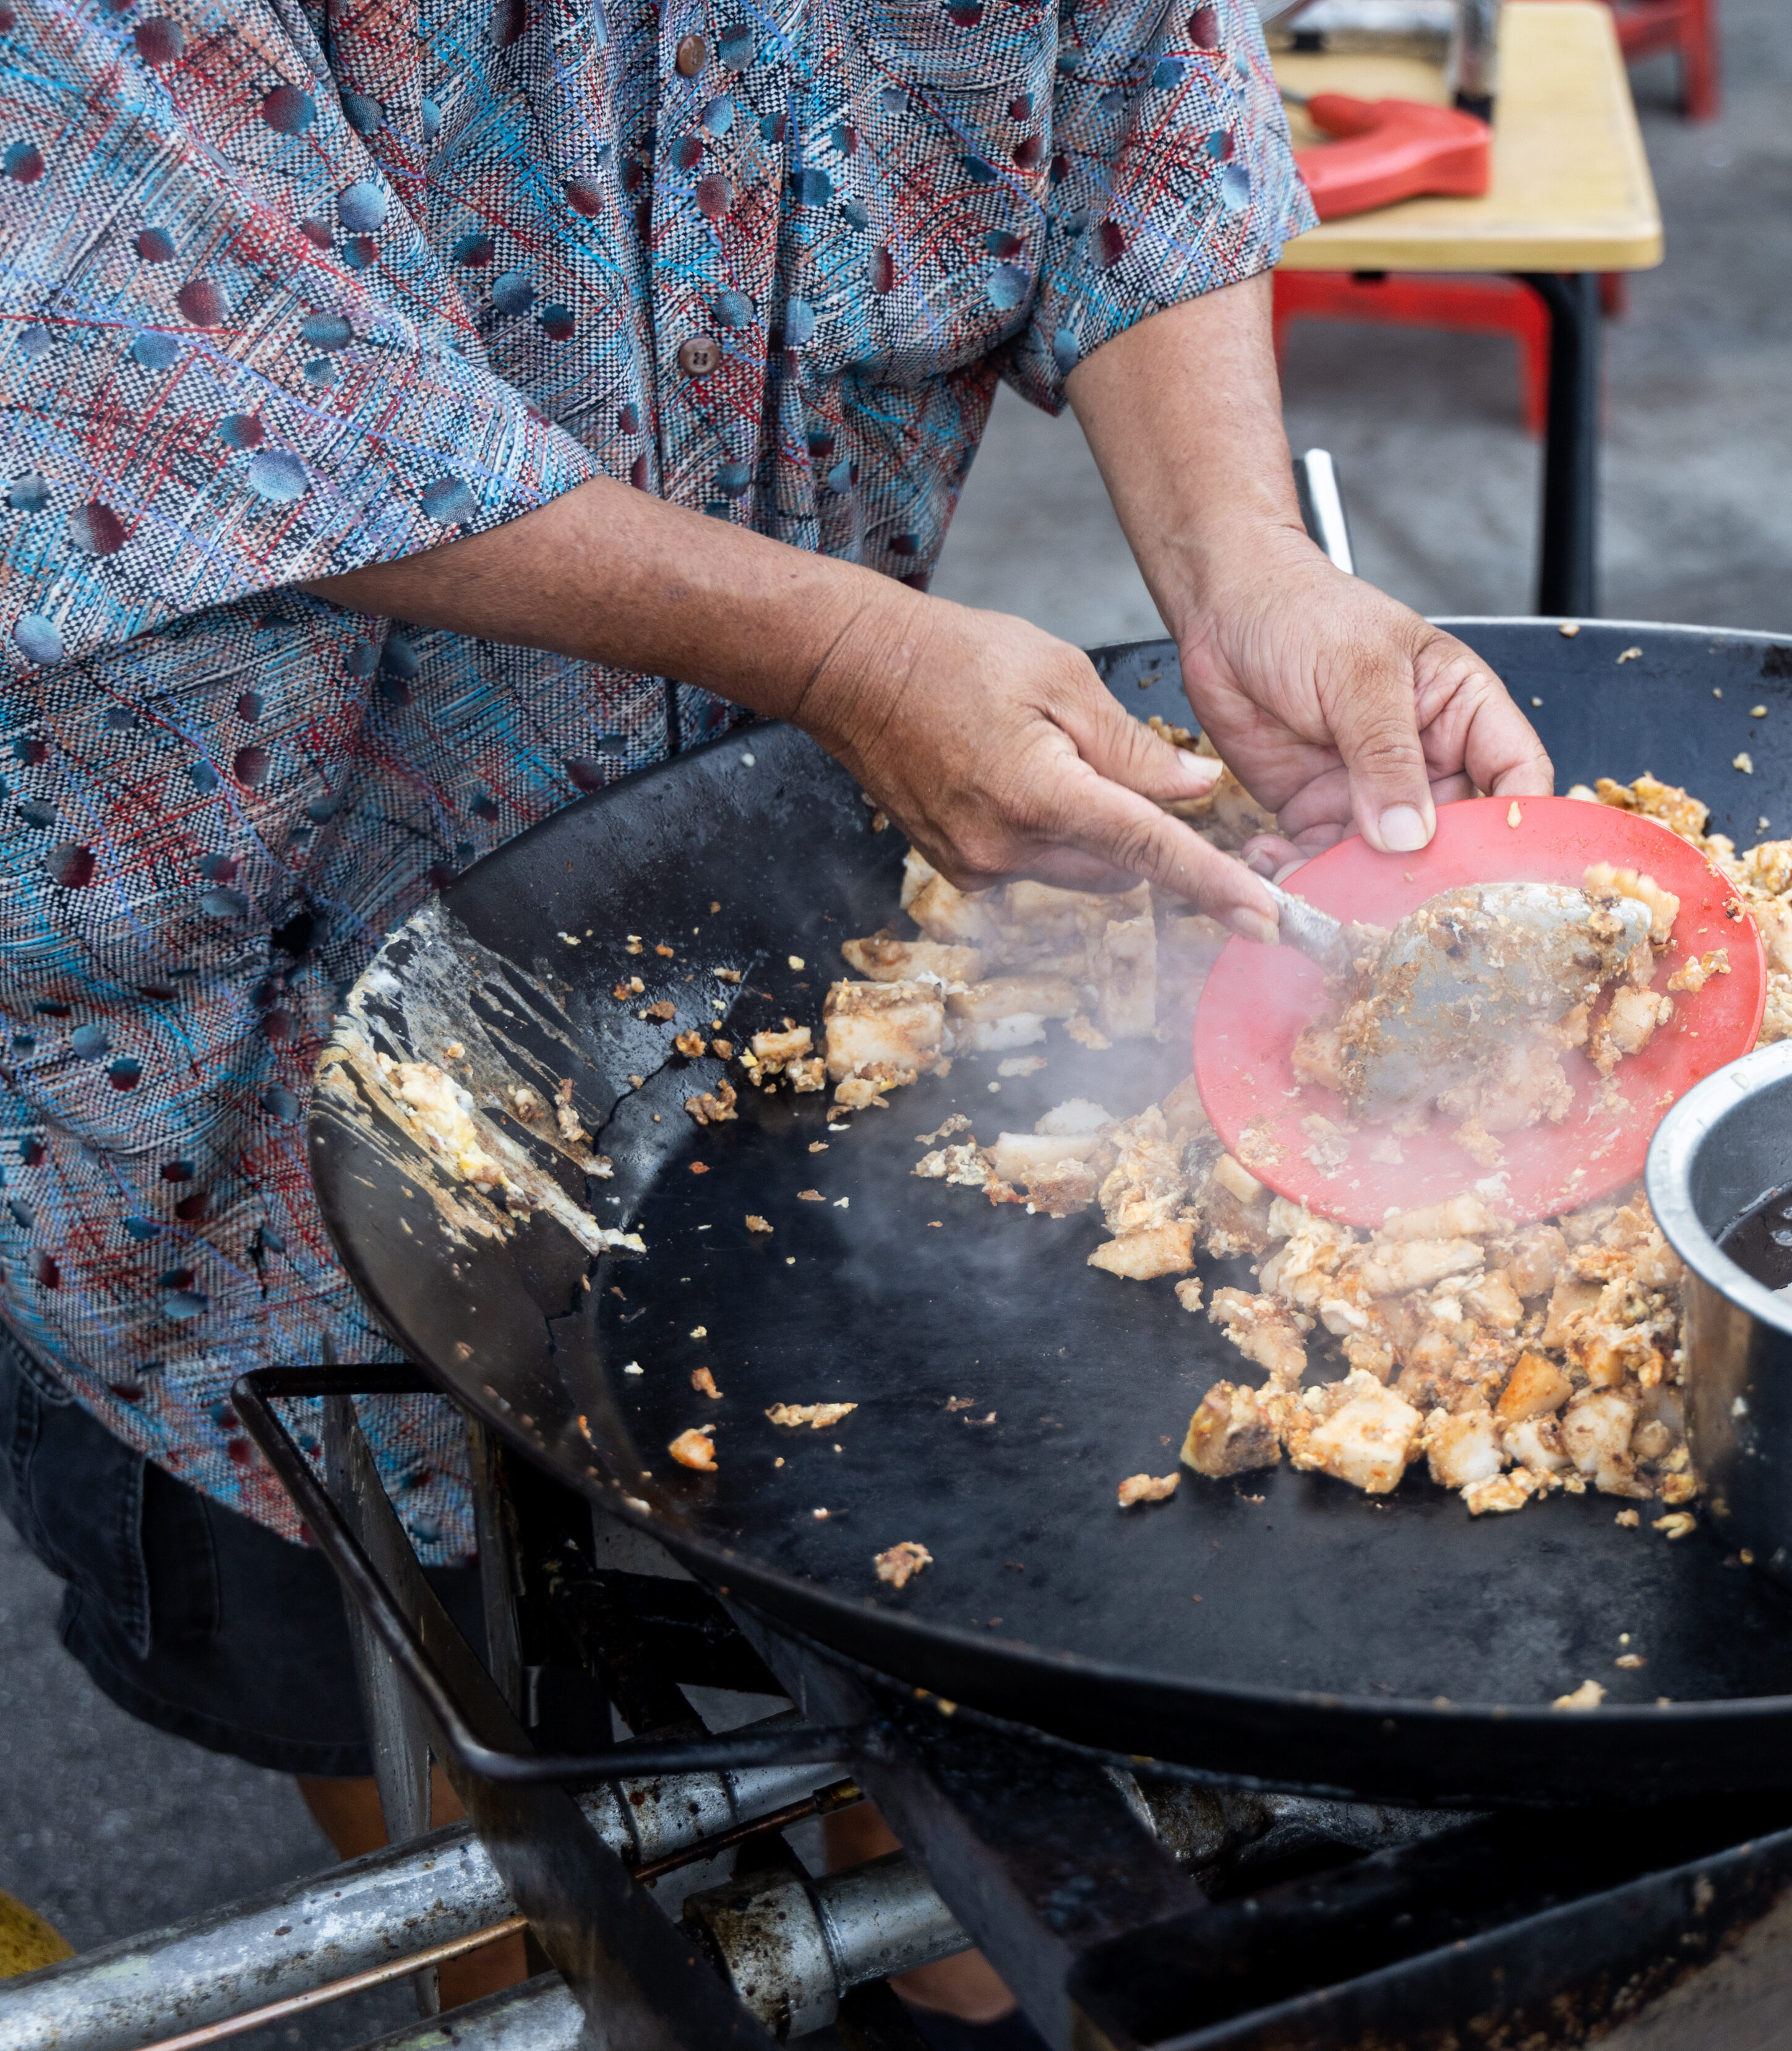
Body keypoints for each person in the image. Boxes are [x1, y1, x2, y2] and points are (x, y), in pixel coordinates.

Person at [0, 0, 1550, 2023]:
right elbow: (194, 351)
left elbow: (1136, 91)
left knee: (908, 1626)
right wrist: (833, 645)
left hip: (778, 905)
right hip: (235, 940)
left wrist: (1247, 562)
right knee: (454, 1736)